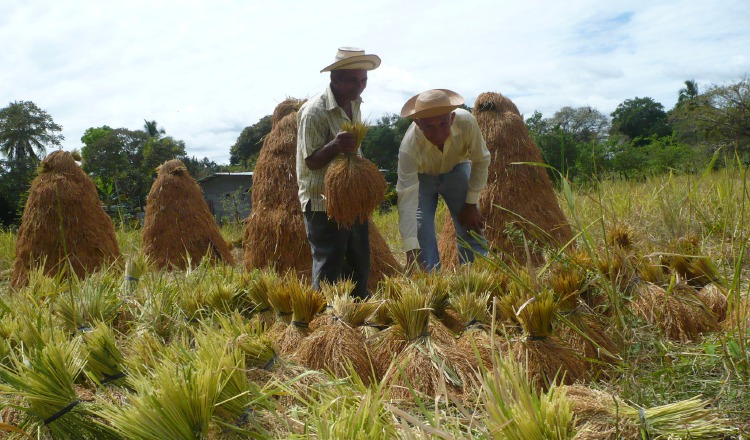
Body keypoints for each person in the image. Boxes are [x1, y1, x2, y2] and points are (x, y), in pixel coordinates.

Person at [296, 47, 381, 299]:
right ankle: (326, 322)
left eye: (364, 80)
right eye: (354, 80)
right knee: (329, 263)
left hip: (352, 199)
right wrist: (335, 145)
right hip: (323, 202)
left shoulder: (354, 102)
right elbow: (310, 161)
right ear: (335, 79)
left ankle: (357, 315)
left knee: (359, 259)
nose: (360, 86)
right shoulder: (314, 112)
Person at [396, 89, 491, 271]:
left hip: (457, 169)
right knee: (421, 229)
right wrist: (410, 247)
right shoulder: (408, 148)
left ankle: (476, 278)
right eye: (429, 127)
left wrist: (471, 204)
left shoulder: (467, 123)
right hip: (422, 178)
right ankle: (432, 284)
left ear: (452, 118)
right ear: (418, 123)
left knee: (471, 226)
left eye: (442, 124)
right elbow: (406, 198)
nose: (438, 133)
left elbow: (481, 159)